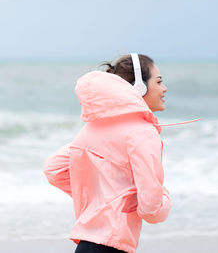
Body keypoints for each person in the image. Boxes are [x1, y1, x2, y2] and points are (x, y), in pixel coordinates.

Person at [43, 53, 170, 253]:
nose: (164, 88)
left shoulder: (93, 127)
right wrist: (164, 196)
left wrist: (99, 199)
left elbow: (53, 169)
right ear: (139, 87)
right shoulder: (143, 132)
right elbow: (151, 210)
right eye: (159, 81)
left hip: (85, 246)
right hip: (112, 247)